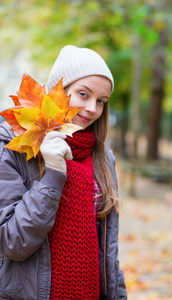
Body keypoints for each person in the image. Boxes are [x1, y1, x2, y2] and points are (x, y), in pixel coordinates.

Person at [0, 45, 127, 299]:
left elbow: (108, 252)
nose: (92, 108)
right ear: (59, 91)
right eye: (83, 94)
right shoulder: (14, 145)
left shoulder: (102, 156)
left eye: (101, 101)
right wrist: (54, 175)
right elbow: (12, 241)